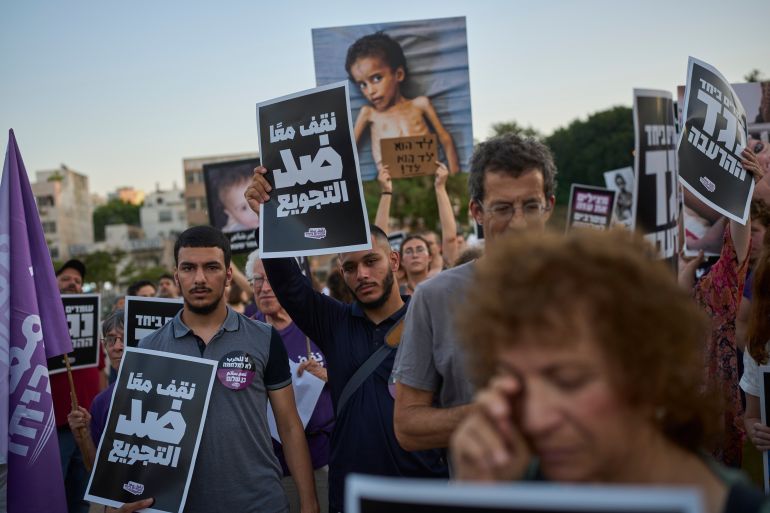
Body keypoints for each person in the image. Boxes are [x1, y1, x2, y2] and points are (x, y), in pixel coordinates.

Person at [451, 229, 767, 513]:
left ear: (650, 374)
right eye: (513, 382)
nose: (535, 418)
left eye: (568, 381)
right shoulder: (516, 484)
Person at [246, 170, 448, 513]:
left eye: (372, 261)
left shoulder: (428, 319)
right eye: (351, 267)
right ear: (342, 274)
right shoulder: (335, 322)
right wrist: (268, 217)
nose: (362, 274)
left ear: (394, 262)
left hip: (425, 491)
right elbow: (289, 285)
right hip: (355, 495)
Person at [393, 133, 556, 452]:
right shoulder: (434, 298)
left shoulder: (589, 286)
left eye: (531, 206)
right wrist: (491, 414)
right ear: (477, 212)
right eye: (504, 208)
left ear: (549, 206)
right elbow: (408, 426)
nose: (519, 223)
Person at [139, 226, 318, 513]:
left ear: (228, 275)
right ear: (176, 276)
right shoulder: (149, 348)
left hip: (261, 503)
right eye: (188, 268)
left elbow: (289, 425)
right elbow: (137, 435)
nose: (199, 278)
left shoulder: (264, 337)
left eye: (211, 267)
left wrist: (309, 503)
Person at [246, 250, 335, 513]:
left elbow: (357, 381)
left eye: (271, 278)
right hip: (272, 469)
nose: (264, 288)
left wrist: (328, 377)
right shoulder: (247, 334)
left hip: (323, 459)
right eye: (257, 280)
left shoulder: (318, 324)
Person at [346, 32, 460, 175]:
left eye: (376, 78)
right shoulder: (369, 114)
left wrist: (454, 175)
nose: (370, 91)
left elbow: (445, 138)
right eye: (362, 84)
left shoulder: (420, 104)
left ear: (398, 74)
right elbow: (348, 151)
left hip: (427, 181)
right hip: (392, 188)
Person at [50, 258, 106, 513]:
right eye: (66, 279)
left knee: (82, 496)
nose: (73, 284)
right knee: (54, 492)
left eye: (78, 282)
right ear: (53, 283)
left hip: (87, 425)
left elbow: (100, 371)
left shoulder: (91, 323)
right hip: (55, 427)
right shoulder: (39, 322)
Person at [67, 310, 126, 469]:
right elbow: (96, 470)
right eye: (110, 339)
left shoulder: (169, 394)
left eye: (125, 338)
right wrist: (84, 436)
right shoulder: (102, 402)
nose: (117, 347)